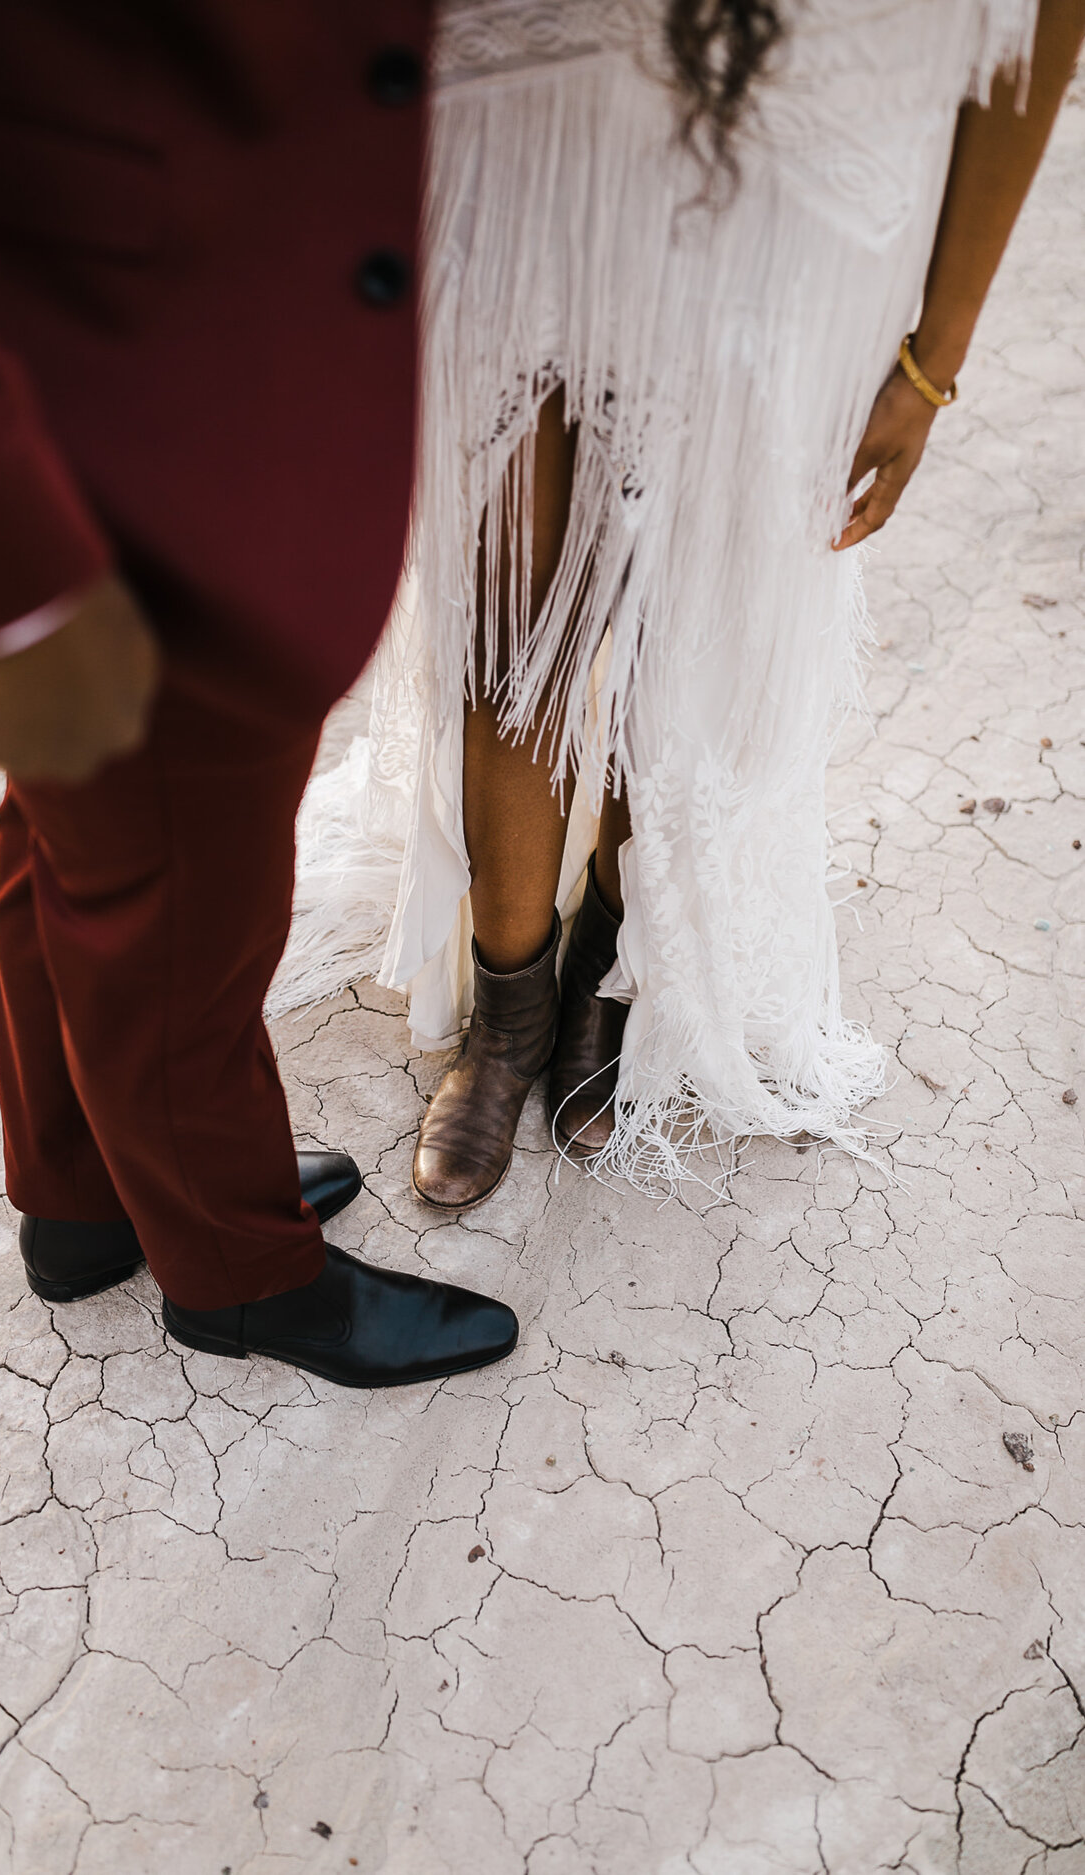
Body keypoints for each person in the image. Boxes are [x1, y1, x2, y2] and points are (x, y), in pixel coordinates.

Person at [274, 0, 1085, 1209]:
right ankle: (509, 1011)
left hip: (792, 204)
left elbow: (1037, 21)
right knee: (512, 625)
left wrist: (935, 355)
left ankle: (605, 964)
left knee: (687, 651)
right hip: (539, 145)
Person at [0, 0, 521, 1388]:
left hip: (150, 321)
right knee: (175, 873)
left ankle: (84, 1196)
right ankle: (237, 1270)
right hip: (125, 375)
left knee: (79, 828)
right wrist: (0, 569)